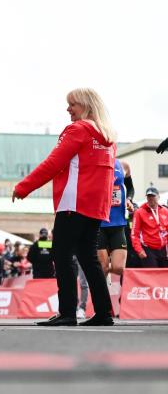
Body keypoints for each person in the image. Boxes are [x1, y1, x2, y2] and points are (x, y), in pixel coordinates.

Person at [13, 88, 116, 326]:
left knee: (62, 254)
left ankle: (68, 312)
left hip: (73, 202)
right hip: (96, 205)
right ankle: (104, 312)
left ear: (86, 106)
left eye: (73, 104)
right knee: (88, 258)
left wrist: (23, 187)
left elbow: (53, 163)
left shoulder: (77, 130)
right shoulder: (108, 137)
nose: (68, 109)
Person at [97, 159, 134, 281]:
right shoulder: (94, 164)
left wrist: (129, 199)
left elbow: (130, 188)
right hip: (99, 224)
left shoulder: (123, 165)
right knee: (102, 267)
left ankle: (98, 273)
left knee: (119, 268)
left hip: (118, 223)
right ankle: (101, 297)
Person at [131, 187, 168, 268]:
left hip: (163, 249)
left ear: (158, 197)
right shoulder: (140, 212)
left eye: (153, 196)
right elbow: (134, 234)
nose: (150, 198)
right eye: (148, 196)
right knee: (152, 276)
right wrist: (139, 249)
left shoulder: (165, 211)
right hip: (148, 249)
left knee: (165, 275)